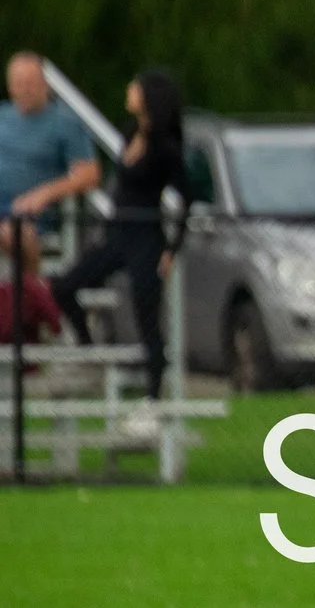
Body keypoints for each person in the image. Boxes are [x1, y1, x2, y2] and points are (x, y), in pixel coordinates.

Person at [56, 70, 187, 399]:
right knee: (65, 285)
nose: (129, 90)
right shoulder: (130, 134)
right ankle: (87, 345)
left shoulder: (165, 147)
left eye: (135, 87)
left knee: (146, 315)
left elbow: (187, 198)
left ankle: (154, 395)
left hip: (146, 237)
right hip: (117, 234)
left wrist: (172, 248)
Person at [2, 53, 101, 243]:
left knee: (12, 231)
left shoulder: (65, 123)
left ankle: (29, 264)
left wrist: (45, 193)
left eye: (30, 83)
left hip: (31, 213)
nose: (24, 89)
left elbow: (89, 174)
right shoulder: (2, 115)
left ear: (45, 84)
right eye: (18, 83)